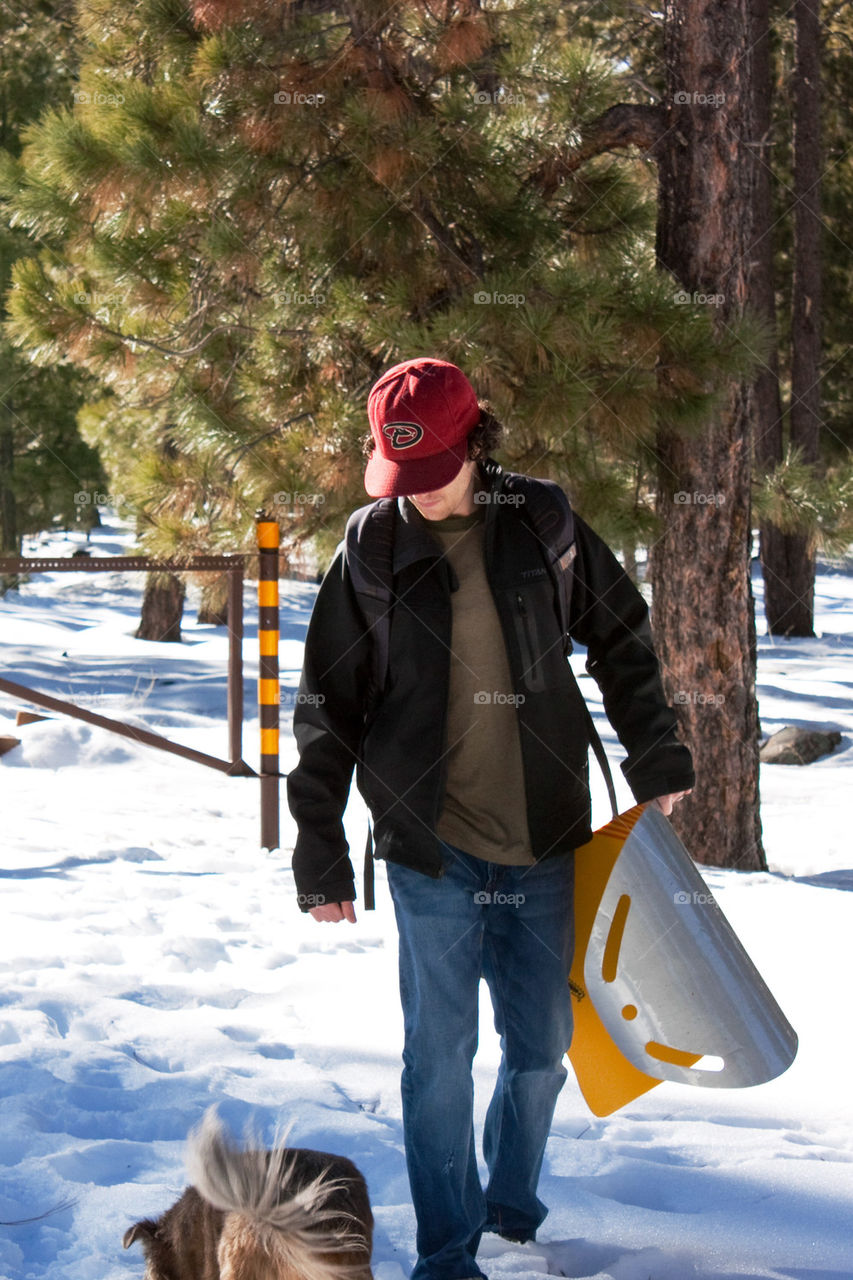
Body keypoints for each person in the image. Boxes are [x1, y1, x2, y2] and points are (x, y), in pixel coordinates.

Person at [287, 357, 694, 1280]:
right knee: (436, 1058)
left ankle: (510, 1203)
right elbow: (326, 705)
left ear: (475, 442)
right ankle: (446, 1251)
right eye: (400, 479)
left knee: (541, 1048)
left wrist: (656, 756)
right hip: (428, 848)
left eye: (432, 473)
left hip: (544, 837)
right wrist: (318, 845)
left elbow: (622, 636)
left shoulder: (541, 522)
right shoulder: (370, 547)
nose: (417, 497)